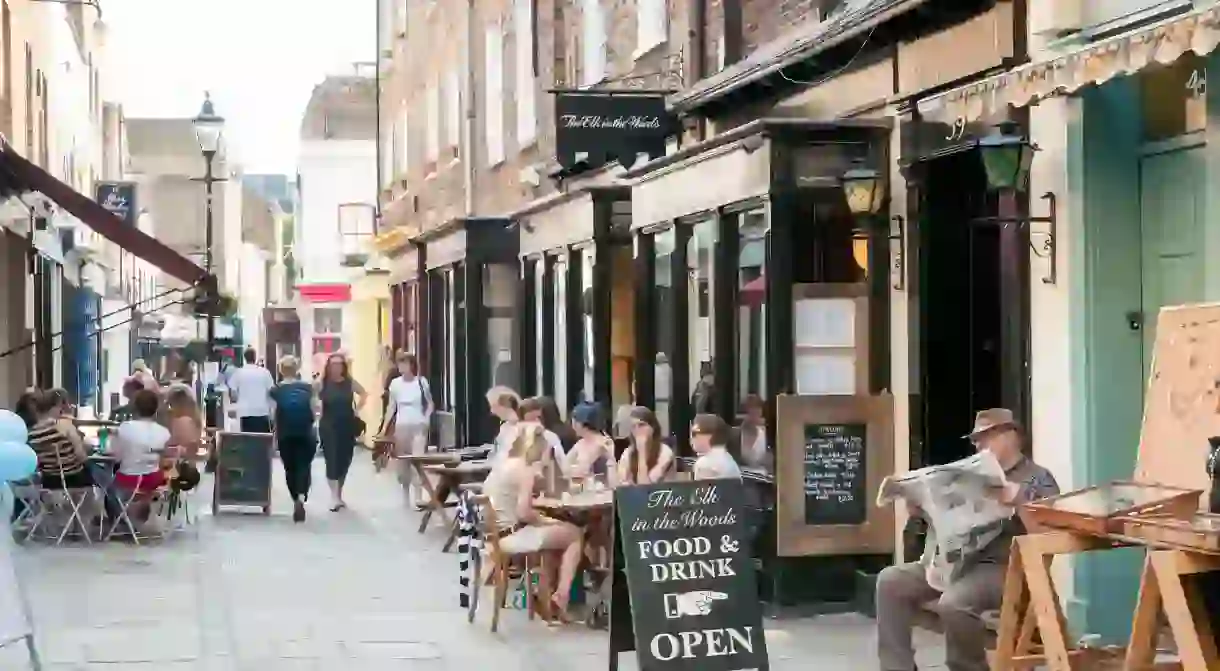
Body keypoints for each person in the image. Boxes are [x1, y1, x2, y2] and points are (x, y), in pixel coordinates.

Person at [875, 408, 1060, 671]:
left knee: (954, 603)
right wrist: (922, 509)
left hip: (1003, 567)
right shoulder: (970, 476)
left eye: (986, 436)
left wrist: (1018, 500)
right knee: (890, 581)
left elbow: (1048, 534)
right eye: (975, 440)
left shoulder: (1038, 477)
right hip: (955, 562)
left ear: (1012, 435)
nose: (979, 444)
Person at [482, 422, 584, 621]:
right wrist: (542, 520)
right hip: (513, 535)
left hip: (497, 534)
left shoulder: (503, 465)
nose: (548, 455)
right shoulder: (526, 470)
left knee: (558, 536)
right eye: (547, 450)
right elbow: (523, 512)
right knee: (574, 534)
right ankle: (561, 596)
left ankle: (543, 593)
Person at [380, 352, 433, 508]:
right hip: (401, 425)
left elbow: (430, 403)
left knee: (418, 460)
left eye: (405, 363)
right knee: (403, 462)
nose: (402, 367)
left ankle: (418, 496)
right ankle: (405, 493)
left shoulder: (421, 382)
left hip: (418, 424)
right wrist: (385, 426)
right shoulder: (395, 384)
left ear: (412, 365)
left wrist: (427, 418)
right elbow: (391, 406)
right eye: (400, 363)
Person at [315, 352, 367, 511]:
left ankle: (339, 493)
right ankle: (334, 497)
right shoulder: (322, 382)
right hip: (328, 425)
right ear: (328, 367)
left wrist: (357, 409)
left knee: (345, 459)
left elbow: (364, 393)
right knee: (331, 458)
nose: (336, 367)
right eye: (333, 364)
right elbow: (312, 395)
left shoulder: (349, 382)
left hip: (347, 424)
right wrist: (316, 408)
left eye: (339, 364)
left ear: (343, 367)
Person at [270, 355, 316, 522]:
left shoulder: (276, 390)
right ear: (296, 369)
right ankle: (303, 496)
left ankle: (296, 498)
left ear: (281, 370)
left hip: (285, 433)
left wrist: (274, 435)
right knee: (304, 465)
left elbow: (274, 414)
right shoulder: (307, 388)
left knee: (290, 468)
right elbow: (314, 409)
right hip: (305, 432)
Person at [108, 390, 173, 497]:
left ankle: (118, 513)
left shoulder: (125, 427)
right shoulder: (164, 432)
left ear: (135, 408)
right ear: (155, 409)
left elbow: (115, 455)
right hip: (154, 480)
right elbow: (164, 460)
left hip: (128, 479)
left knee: (109, 487)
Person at [28, 389, 94, 490]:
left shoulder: (32, 433)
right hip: (74, 477)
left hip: (50, 481)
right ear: (55, 407)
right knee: (100, 472)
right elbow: (80, 455)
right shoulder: (64, 425)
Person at [617, 406, 674, 485]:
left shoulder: (665, 452)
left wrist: (642, 453)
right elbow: (621, 484)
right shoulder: (628, 452)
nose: (637, 430)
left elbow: (644, 487)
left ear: (653, 427)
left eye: (641, 425)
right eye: (633, 427)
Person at [565, 402, 617, 484]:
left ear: (582, 424)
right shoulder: (580, 443)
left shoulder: (605, 443)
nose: (572, 426)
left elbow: (582, 471)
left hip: (602, 491)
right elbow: (564, 466)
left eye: (574, 422)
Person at [227, 347, 276, 433]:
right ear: (255, 357)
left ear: (245, 358)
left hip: (245, 412)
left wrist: (238, 401)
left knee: (248, 439)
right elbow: (272, 391)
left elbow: (233, 394)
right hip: (262, 411)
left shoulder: (239, 373)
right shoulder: (265, 372)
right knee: (262, 440)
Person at [519, 397, 568, 474]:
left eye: (538, 418)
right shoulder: (514, 437)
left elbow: (562, 463)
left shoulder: (550, 437)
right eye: (531, 419)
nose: (536, 422)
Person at [690, 413, 741, 481]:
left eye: (694, 433)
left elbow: (704, 491)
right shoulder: (727, 458)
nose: (692, 438)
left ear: (709, 436)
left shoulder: (705, 464)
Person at [486, 386, 522, 461]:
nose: (492, 411)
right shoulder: (505, 426)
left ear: (503, 406)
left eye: (492, 406)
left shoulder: (520, 428)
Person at [738, 394, 770, 469]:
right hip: (743, 475)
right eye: (751, 412)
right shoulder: (737, 435)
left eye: (757, 412)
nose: (754, 416)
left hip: (762, 477)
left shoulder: (766, 434)